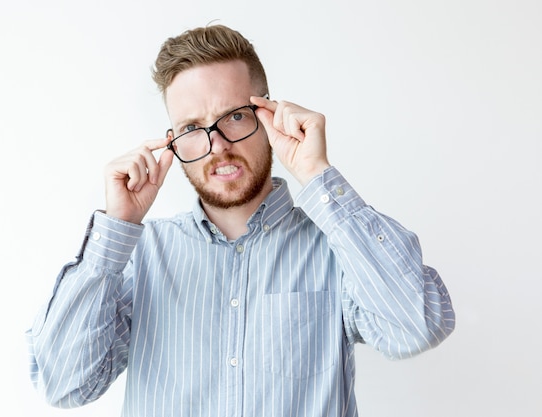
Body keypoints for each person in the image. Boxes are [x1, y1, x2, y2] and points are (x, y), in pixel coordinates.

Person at [27, 24, 455, 417]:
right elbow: (63, 384)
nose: (217, 146)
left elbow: (415, 328)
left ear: (267, 115)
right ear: (173, 141)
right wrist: (115, 229)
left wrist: (317, 176)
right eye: (193, 127)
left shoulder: (336, 245)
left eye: (233, 116)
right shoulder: (139, 257)